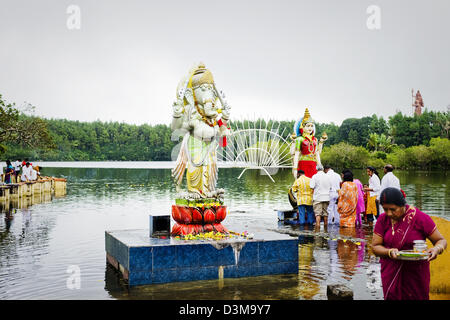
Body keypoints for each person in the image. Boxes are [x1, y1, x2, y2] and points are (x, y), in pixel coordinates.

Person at [372, 188, 447, 300]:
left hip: (416, 273)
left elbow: (441, 240)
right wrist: (389, 252)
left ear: (403, 205)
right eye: (385, 209)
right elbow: (375, 247)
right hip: (391, 271)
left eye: (393, 209)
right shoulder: (383, 220)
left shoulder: (420, 218)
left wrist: (437, 249)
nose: (389, 213)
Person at [310, 164, 331, 229]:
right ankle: (325, 228)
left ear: (316, 169)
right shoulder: (328, 176)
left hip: (318, 197)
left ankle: (317, 229)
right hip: (327, 197)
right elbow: (330, 187)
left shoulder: (315, 176)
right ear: (322, 169)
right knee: (325, 213)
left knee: (317, 214)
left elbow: (311, 186)